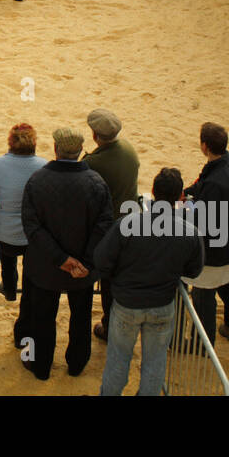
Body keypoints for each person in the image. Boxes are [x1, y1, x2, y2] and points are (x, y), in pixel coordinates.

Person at [90, 166, 204, 396]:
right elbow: (194, 270)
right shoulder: (189, 231)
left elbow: (101, 260)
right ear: (180, 197)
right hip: (162, 303)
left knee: (118, 360)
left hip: (127, 304)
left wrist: (118, 276)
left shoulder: (128, 223)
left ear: (153, 191)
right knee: (155, 362)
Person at [18, 126, 114, 380]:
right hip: (82, 269)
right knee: (81, 317)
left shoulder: (37, 181)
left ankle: (41, 366)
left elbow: (32, 226)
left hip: (46, 266)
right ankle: (76, 363)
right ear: (81, 151)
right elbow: (104, 225)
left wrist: (61, 259)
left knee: (43, 318)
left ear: (56, 149)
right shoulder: (96, 183)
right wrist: (82, 261)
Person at [80, 109, 139, 341]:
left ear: (95, 136)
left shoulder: (95, 162)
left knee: (109, 280)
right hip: (131, 221)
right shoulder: (129, 149)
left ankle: (110, 326)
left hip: (111, 228)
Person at [184, 122, 229, 346]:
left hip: (211, 249)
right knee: (227, 284)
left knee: (203, 297)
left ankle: (202, 344)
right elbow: (202, 185)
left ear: (205, 146)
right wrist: (188, 193)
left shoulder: (217, 182)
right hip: (227, 242)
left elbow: (203, 221)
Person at [0, 124, 46, 319]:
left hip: (4, 234)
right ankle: (26, 294)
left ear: (10, 142)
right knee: (31, 270)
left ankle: (9, 286)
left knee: (7, 251)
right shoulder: (43, 165)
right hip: (33, 238)